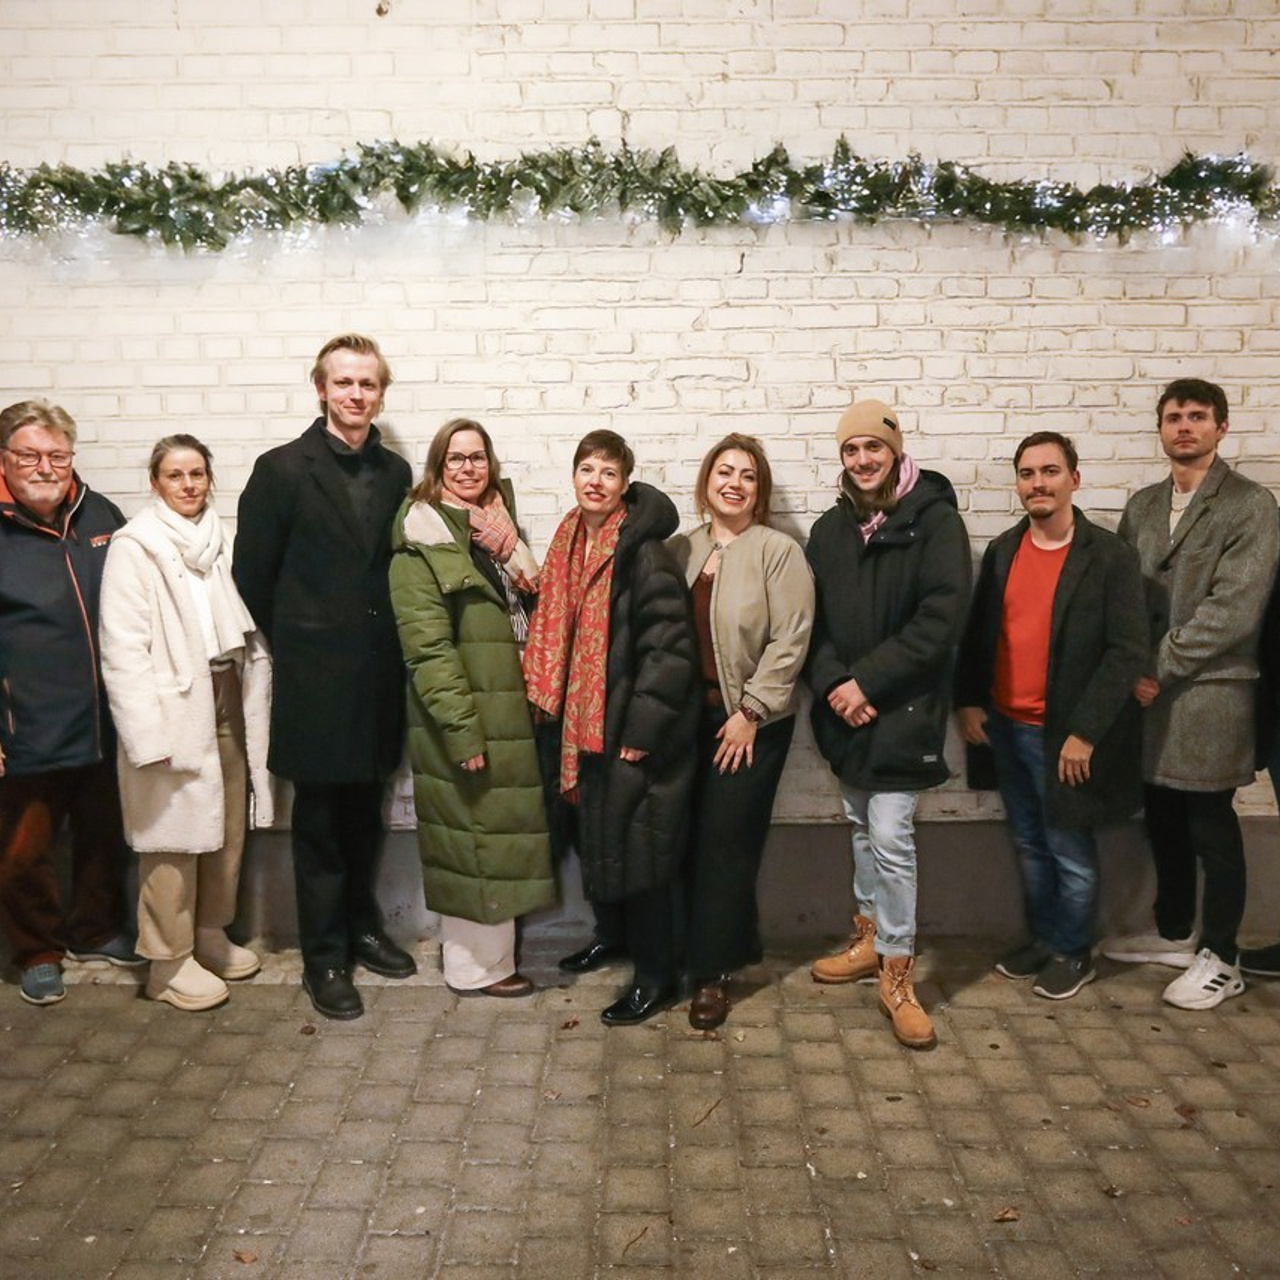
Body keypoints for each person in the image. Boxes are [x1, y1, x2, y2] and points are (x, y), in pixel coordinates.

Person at [234, 334, 416, 1021]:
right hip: (314, 679)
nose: (355, 395)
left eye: (367, 384)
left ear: (380, 393)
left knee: (365, 814)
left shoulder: (396, 473)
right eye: (343, 383)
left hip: (376, 676)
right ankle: (325, 958)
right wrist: (303, 644)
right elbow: (253, 575)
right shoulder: (281, 470)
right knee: (317, 825)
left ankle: (365, 928)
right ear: (321, 388)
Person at [1104, 378, 1279, 1009]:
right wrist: (1129, 666)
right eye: (1174, 417)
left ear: (1221, 428)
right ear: (1160, 430)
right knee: (1162, 815)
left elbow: (1234, 610)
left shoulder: (1250, 505)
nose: (1185, 427)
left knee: (1210, 821)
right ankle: (1177, 932)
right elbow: (1122, 592)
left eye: (1198, 417)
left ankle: (1225, 956)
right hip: (1149, 693)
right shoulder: (1144, 504)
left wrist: (1157, 666)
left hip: (1211, 692)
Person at [954, 432, 1147, 1000]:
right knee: (1031, 843)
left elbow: (1126, 651)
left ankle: (1072, 950)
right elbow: (981, 633)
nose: (1038, 483)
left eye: (1050, 471)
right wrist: (968, 700)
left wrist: (1084, 733)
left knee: (1069, 848)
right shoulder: (1004, 550)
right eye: (1027, 473)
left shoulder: (1109, 557)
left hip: (1064, 734)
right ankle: (1043, 937)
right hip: (1006, 728)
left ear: (1074, 480)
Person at [805, 399, 970, 1050]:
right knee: (858, 827)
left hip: (903, 712)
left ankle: (897, 976)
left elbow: (940, 621)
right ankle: (869, 936)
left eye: (873, 447)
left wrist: (865, 682)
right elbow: (809, 623)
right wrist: (834, 686)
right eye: (851, 450)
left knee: (891, 836)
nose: (863, 460)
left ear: (895, 452)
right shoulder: (829, 530)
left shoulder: (936, 523)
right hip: (845, 714)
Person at [523, 430, 698, 1025]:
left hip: (626, 728)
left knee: (642, 855)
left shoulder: (642, 552)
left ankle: (658, 977)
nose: (595, 481)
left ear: (626, 484)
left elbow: (669, 651)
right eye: (586, 469)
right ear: (573, 477)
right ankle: (614, 937)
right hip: (580, 725)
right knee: (599, 842)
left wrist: (642, 731)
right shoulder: (569, 540)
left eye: (608, 472)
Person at [100, 436, 272, 1011]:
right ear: (156, 483)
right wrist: (146, 736)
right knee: (169, 837)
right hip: (172, 703)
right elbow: (122, 649)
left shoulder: (216, 540)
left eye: (197, 473)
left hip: (224, 690)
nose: (189, 485)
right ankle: (166, 962)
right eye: (175, 475)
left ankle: (208, 934)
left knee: (224, 824)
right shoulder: (135, 547)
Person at [389, 418, 554, 997]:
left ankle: (495, 962)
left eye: (477, 457)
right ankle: (472, 971)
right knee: (471, 837)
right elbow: (428, 650)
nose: (467, 468)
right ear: (437, 469)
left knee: (495, 833)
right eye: (454, 459)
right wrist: (462, 730)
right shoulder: (421, 545)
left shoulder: (496, 537)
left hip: (506, 711)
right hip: (464, 718)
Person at [668, 435, 813, 1030]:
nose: (734, 483)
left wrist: (750, 711)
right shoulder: (682, 547)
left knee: (724, 848)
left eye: (747, 476)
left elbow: (792, 636)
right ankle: (693, 952)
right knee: (682, 841)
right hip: (687, 722)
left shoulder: (777, 551)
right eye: (724, 471)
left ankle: (713, 975)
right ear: (706, 481)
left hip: (747, 724)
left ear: (761, 489)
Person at [0, 399, 141, 1005]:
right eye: (29, 454)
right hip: (23, 723)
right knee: (24, 850)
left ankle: (95, 928)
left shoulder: (100, 512)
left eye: (57, 454)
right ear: (4, 459)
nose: (45, 466)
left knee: (104, 834)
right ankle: (37, 951)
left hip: (104, 719)